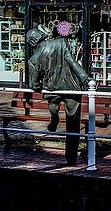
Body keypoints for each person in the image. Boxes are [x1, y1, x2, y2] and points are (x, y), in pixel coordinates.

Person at [27, 20, 91, 164]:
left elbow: (33, 73)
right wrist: (85, 79)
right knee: (73, 123)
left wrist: (36, 85)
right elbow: (72, 62)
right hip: (71, 87)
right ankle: (71, 157)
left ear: (33, 42)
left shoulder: (38, 52)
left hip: (52, 88)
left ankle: (54, 116)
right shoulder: (62, 42)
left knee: (53, 103)